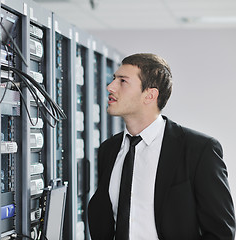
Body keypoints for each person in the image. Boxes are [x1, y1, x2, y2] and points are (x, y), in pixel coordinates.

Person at [87, 53, 235, 240]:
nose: (110, 87)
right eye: (113, 79)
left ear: (150, 95)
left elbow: (221, 233)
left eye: (122, 81)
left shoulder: (199, 149)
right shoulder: (109, 149)